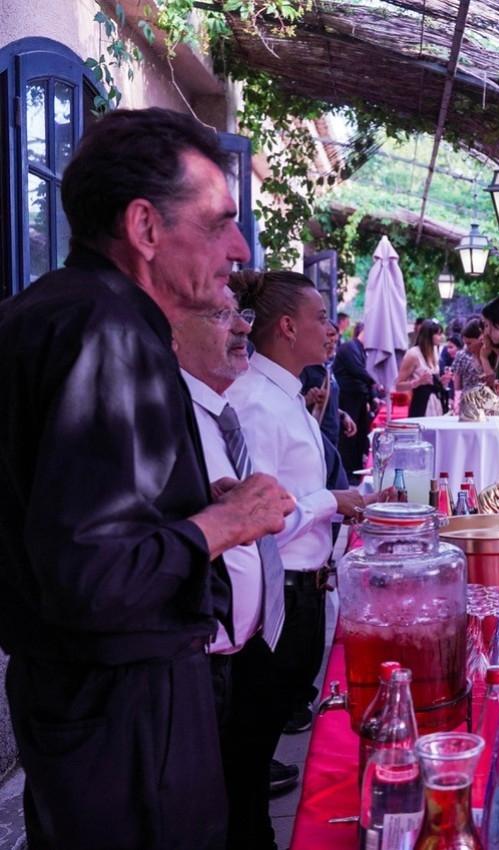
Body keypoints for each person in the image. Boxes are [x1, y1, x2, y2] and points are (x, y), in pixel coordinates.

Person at [0, 107, 294, 850]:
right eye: (220, 221)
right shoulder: (107, 331)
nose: (239, 246)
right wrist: (223, 525)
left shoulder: (56, 313)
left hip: (83, 709)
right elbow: (91, 573)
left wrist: (189, 510)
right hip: (126, 719)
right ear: (145, 228)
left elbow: (66, 519)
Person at [226, 269, 369, 849]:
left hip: (302, 592)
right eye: (319, 318)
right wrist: (331, 501)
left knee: (255, 755)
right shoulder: (257, 401)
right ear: (286, 327)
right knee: (245, 760)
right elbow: (257, 521)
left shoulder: (287, 394)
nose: (331, 329)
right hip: (273, 598)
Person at [170, 286, 304, 836]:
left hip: (234, 649)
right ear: (172, 333)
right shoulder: (170, 415)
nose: (243, 327)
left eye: (241, 313)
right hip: (197, 661)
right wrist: (233, 517)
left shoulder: (215, 412)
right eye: (223, 314)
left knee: (241, 798)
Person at [302, 321, 355, 490]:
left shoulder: (327, 368)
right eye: (328, 336)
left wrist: (342, 415)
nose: (332, 342)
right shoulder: (306, 369)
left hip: (333, 436)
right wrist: (307, 399)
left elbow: (330, 402)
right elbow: (289, 403)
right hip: (317, 438)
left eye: (334, 337)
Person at [335, 320, 381, 478]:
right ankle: (348, 471)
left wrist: (373, 396)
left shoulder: (361, 350)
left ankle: (355, 469)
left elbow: (365, 375)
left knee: (360, 434)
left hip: (360, 397)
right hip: (348, 397)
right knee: (349, 435)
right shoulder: (349, 348)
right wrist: (376, 381)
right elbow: (359, 371)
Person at [396, 319, 447, 417]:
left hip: (436, 401)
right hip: (421, 403)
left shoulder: (435, 351)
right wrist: (418, 382)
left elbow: (432, 381)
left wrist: (442, 381)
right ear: (428, 335)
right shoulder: (413, 354)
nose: (440, 337)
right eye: (437, 334)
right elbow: (398, 386)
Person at [452, 317, 487, 395]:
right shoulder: (462, 356)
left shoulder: (491, 356)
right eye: (465, 344)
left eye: (469, 343)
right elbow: (457, 387)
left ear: (481, 339)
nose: (467, 347)